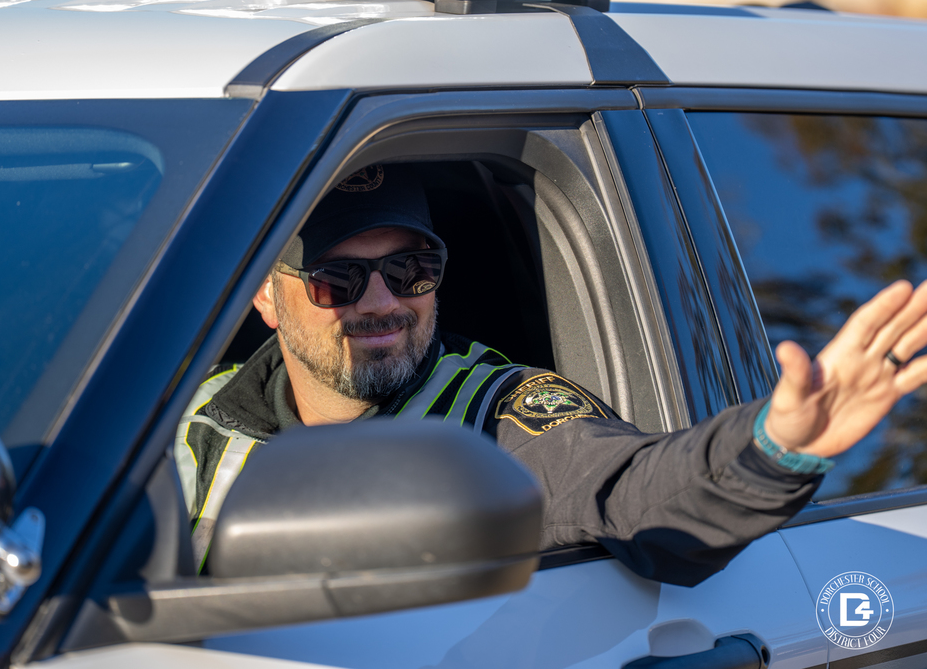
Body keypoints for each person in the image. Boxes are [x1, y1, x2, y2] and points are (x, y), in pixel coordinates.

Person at [175, 164, 927, 582]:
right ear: (267, 298)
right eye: (338, 279)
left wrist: (771, 448)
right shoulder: (185, 420)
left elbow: (635, 491)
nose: (383, 302)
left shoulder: (496, 412)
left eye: (411, 268)